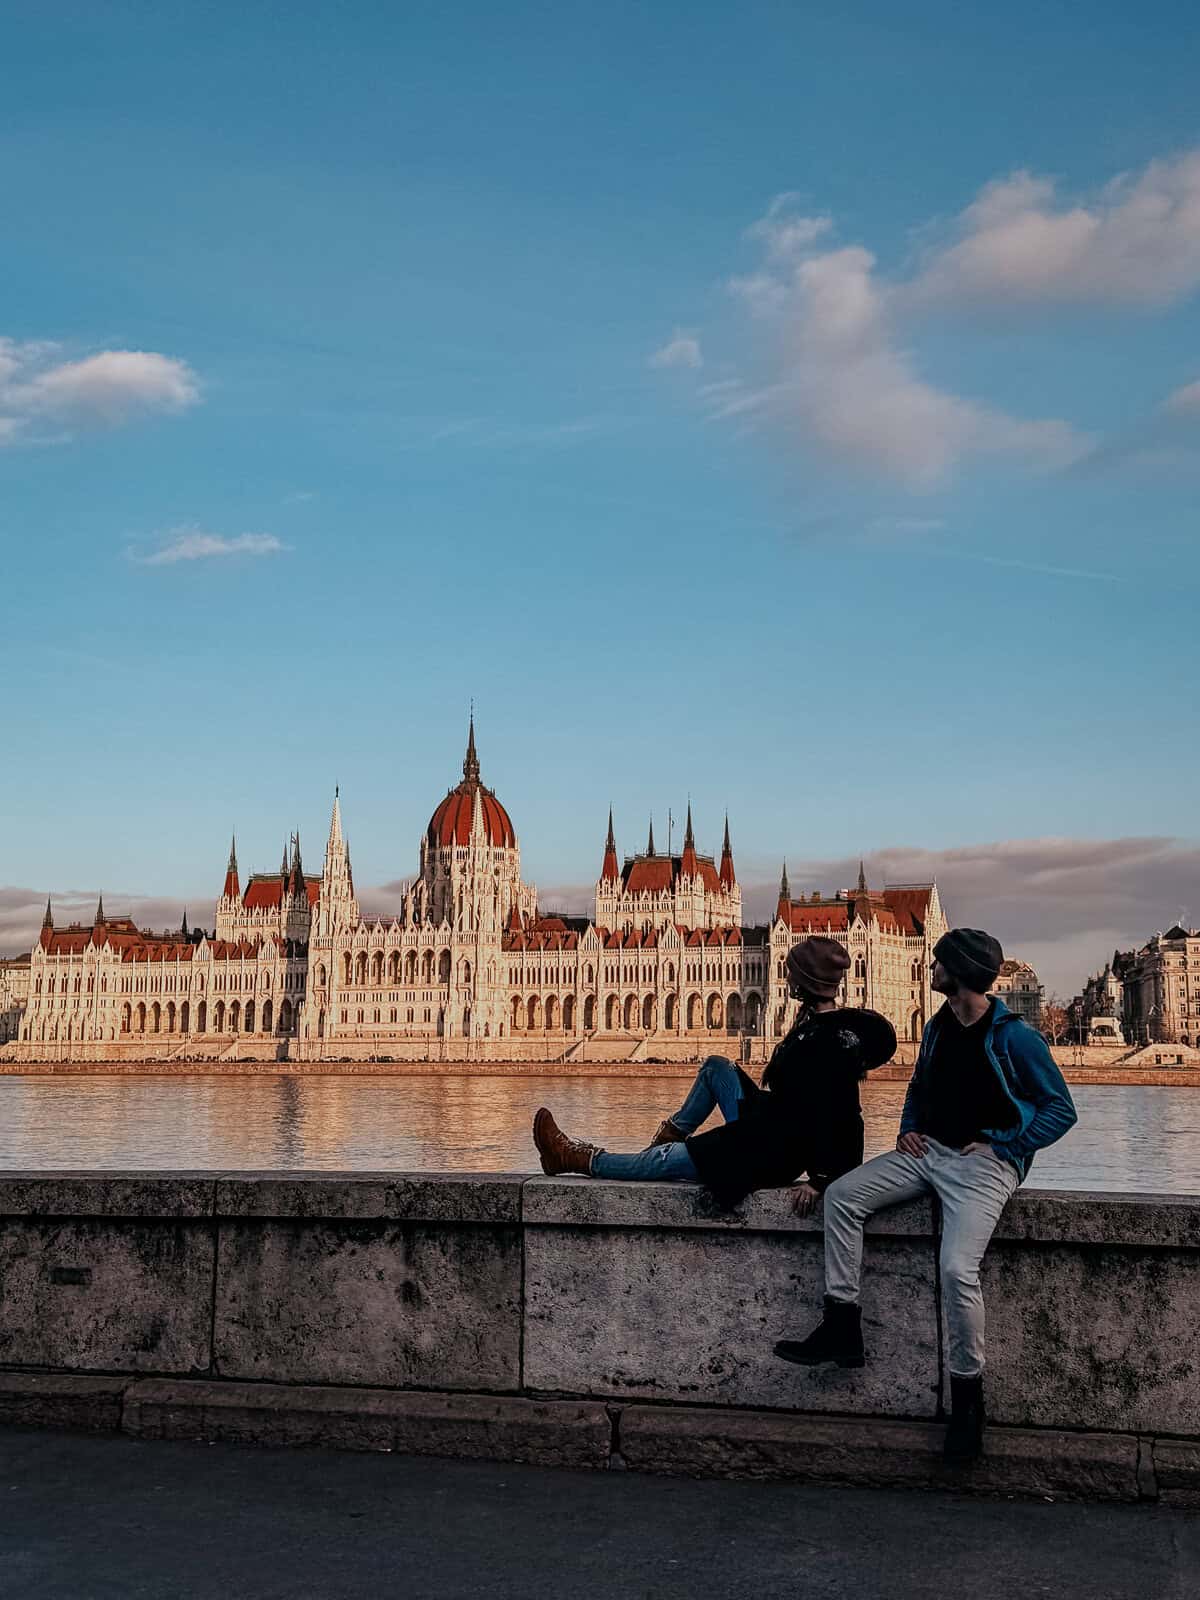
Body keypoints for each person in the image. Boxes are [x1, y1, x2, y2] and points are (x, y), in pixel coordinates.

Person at [775, 927, 1077, 1465]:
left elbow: (1060, 1110)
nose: (928, 969)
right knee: (843, 1196)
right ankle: (841, 1323)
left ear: (957, 972)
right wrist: (908, 1128)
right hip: (926, 1153)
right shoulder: (939, 1026)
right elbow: (918, 1085)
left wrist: (1005, 1144)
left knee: (959, 1270)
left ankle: (967, 1400)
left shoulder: (1016, 1037)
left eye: (936, 963)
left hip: (981, 1168)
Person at [531, 937, 897, 1213]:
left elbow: (845, 1117)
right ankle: (670, 1135)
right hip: (768, 1123)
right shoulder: (819, 1026)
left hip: (769, 1153)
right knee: (716, 1067)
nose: (784, 974)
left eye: (791, 971)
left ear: (805, 981)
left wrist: (822, 1181)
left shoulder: (828, 1042)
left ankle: (574, 1158)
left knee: (662, 1163)